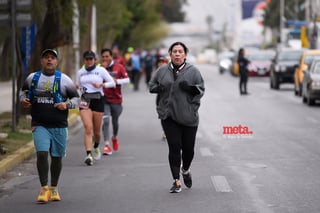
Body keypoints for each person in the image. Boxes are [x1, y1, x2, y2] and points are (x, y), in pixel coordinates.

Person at [20, 49, 79, 203]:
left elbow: (78, 100)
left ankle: (54, 187)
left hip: (59, 125)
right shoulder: (33, 78)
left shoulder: (64, 79)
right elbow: (23, 92)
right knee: (41, 153)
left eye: (52, 58)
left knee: (57, 157)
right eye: (46, 58)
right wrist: (24, 100)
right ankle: (43, 187)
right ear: (41, 61)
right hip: (40, 124)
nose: (49, 60)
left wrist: (66, 105)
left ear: (56, 62)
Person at [149, 42, 205, 193]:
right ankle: (176, 181)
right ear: (170, 54)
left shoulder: (193, 71)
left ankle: (185, 170)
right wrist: (158, 88)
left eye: (180, 51)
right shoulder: (162, 71)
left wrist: (190, 88)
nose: (177, 54)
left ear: (185, 54)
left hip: (188, 116)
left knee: (188, 150)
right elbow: (151, 85)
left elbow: (201, 90)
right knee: (174, 147)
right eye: (175, 51)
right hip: (169, 116)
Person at [76, 50, 115, 166]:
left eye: (91, 59)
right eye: (87, 59)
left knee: (97, 132)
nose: (89, 61)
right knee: (88, 128)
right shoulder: (80, 72)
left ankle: (96, 146)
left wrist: (101, 85)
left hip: (98, 99)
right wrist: (77, 86)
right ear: (84, 60)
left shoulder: (101, 70)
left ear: (95, 60)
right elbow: (78, 85)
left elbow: (112, 83)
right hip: (85, 100)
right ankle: (88, 155)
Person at [100, 48, 130, 155]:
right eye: (103, 56)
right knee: (106, 120)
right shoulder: (99, 68)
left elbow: (127, 80)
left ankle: (114, 137)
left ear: (111, 57)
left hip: (116, 99)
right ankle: (107, 145)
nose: (105, 58)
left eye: (107, 56)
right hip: (104, 99)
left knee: (115, 122)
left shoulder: (119, 67)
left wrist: (117, 81)